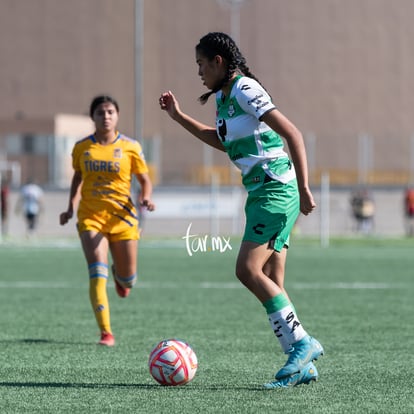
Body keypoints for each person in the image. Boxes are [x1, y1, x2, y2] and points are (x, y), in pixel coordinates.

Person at [159, 32, 323, 389]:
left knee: (247, 270)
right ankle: (300, 366)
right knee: (273, 280)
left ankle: (302, 344)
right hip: (261, 194)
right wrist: (179, 117)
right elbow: (222, 140)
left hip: (276, 190)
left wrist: (305, 186)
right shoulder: (223, 97)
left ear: (219, 61)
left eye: (202, 64)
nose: (199, 72)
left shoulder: (246, 89)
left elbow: (292, 133)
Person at [59, 95, 155, 347]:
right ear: (93, 117)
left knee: (128, 280)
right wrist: (70, 207)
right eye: (100, 112)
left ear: (117, 115)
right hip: (91, 217)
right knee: (96, 271)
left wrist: (145, 198)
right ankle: (106, 332)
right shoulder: (82, 148)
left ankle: (121, 276)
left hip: (123, 218)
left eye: (110, 111)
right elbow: (77, 179)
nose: (106, 116)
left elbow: (145, 181)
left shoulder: (130, 146)